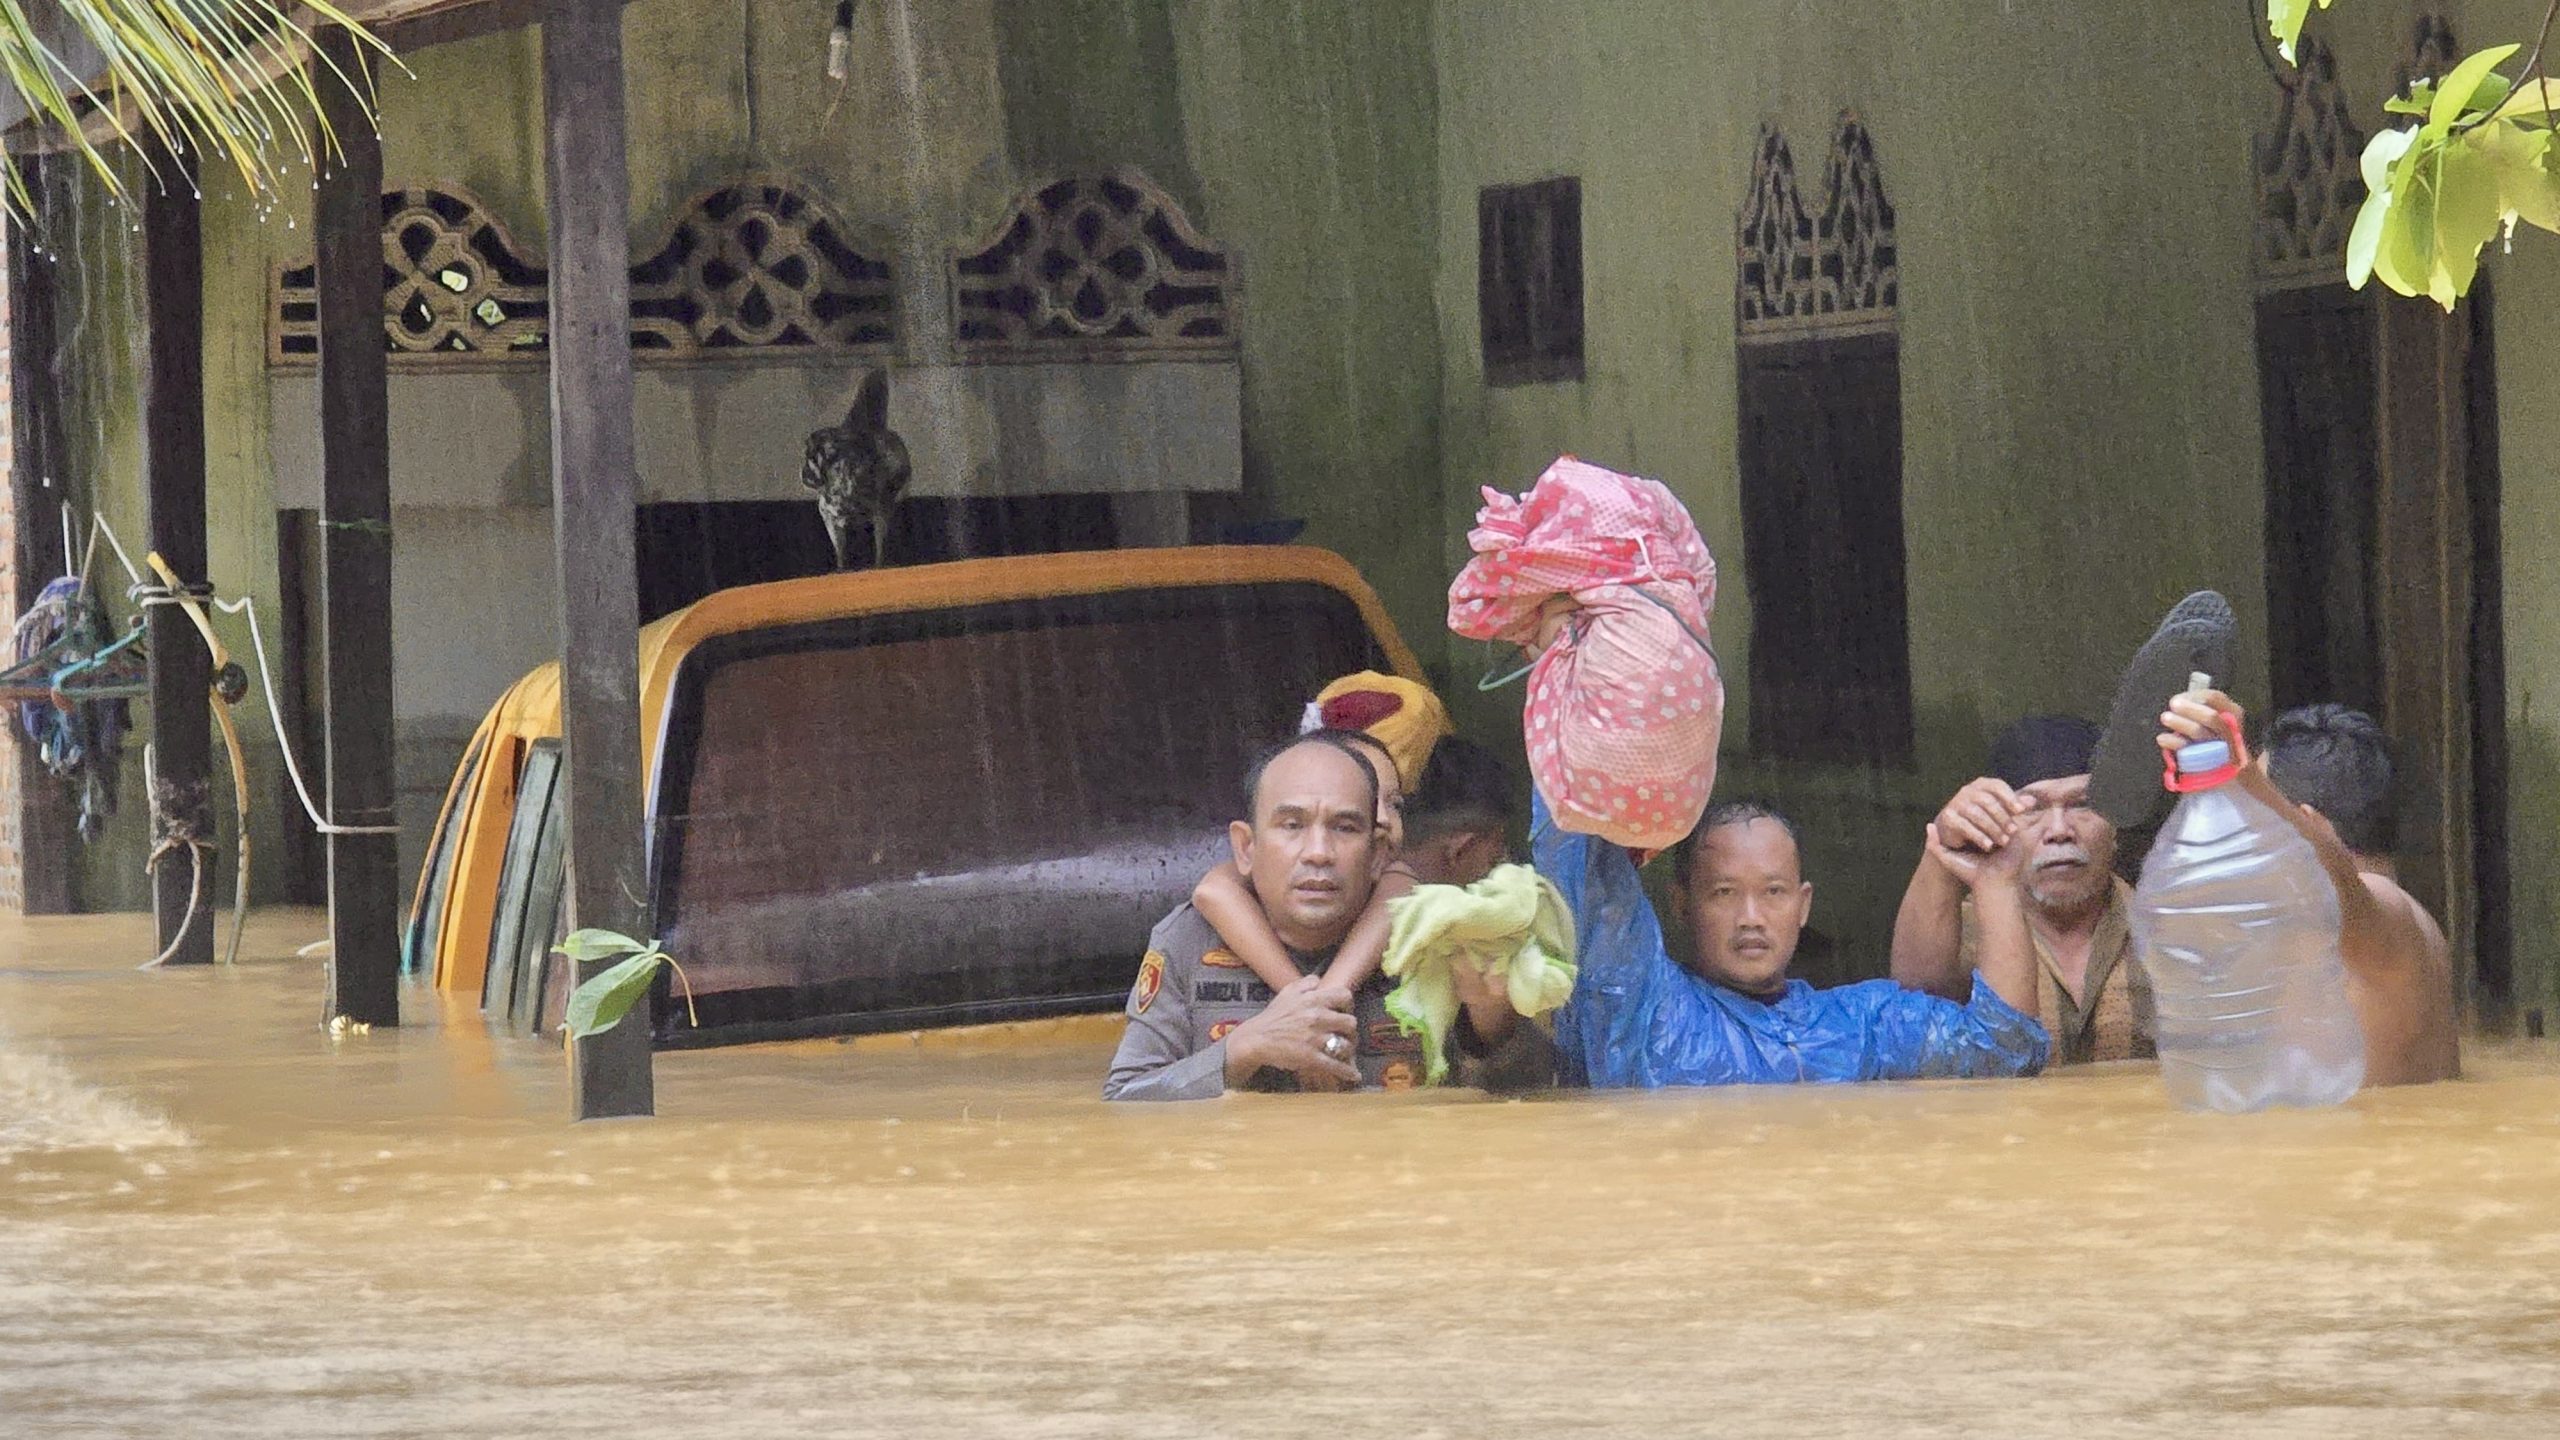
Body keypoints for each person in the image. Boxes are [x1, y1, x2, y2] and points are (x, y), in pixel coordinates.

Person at [1103, 734, 1532, 1100]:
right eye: (1292, 825)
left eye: (1344, 828)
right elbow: (1124, 1099)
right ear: (1246, 848)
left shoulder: (1430, 935)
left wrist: (1495, 1032)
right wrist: (1242, 1050)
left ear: (1378, 854)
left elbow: (1538, 1093)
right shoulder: (1188, 941)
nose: (1318, 853)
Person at [1536, 793, 2050, 1087]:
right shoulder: (1645, 1012)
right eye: (1723, 893)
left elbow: (2006, 1052)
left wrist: (1996, 880)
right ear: (1682, 904)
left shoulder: (1859, 1027)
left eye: (1774, 892)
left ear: (1803, 906)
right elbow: (1580, 865)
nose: (1751, 918)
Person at [2157, 691, 2460, 1086]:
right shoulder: (2404, 929)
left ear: (2307, 826)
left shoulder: (2384, 908)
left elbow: (2343, 889)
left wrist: (2241, 775)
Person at [1891, 716, 2154, 1064]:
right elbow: (1913, 1003)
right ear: (1995, 822)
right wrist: (1941, 851)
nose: (2059, 830)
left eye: (2082, 804)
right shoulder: (1963, 926)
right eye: (2032, 809)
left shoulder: (2168, 923)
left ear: (2116, 826)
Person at [1190, 673, 1452, 1009]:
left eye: (1394, 802)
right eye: (1369, 800)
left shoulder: (1412, 903)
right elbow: (1214, 891)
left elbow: (1397, 895)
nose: (1384, 819)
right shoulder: (1195, 931)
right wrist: (1309, 1004)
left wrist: (1315, 1004)